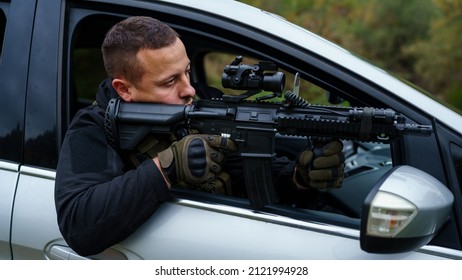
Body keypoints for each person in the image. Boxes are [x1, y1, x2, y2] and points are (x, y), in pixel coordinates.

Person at [54, 16, 344, 257]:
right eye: (170, 81)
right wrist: (166, 169)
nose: (189, 89)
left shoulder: (203, 102)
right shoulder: (93, 128)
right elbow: (78, 224)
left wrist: (297, 178)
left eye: (187, 72)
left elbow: (244, 170)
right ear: (124, 89)